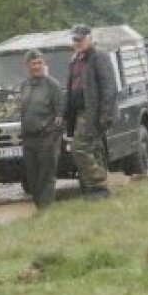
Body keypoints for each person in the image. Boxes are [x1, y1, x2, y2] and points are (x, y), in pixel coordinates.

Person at [64, 25, 117, 200]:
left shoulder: (99, 57)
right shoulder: (74, 60)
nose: (77, 43)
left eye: (80, 39)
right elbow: (71, 88)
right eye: (75, 40)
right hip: (78, 112)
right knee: (95, 149)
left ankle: (98, 184)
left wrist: (105, 114)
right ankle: (100, 190)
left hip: (92, 112)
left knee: (79, 149)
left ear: (89, 38)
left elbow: (109, 87)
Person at [19, 49, 64, 209]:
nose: (36, 67)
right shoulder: (24, 85)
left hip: (47, 138)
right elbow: (23, 111)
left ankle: (46, 210)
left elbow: (60, 114)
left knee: (46, 176)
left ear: (44, 64)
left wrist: (53, 138)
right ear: (27, 66)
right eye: (33, 64)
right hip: (29, 138)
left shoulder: (52, 85)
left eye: (39, 63)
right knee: (32, 177)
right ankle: (39, 207)